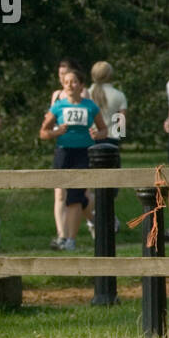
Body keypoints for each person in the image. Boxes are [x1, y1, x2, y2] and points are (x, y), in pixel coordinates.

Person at [41, 69, 106, 251]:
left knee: (75, 197)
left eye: (74, 82)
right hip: (63, 153)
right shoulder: (58, 106)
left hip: (83, 153)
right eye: (67, 82)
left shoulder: (90, 106)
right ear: (63, 85)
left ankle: (70, 240)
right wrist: (56, 132)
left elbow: (104, 130)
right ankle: (93, 221)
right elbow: (43, 132)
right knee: (64, 195)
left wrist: (97, 133)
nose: (70, 85)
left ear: (81, 85)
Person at [88, 61, 127, 148]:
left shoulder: (86, 94)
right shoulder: (119, 95)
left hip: (90, 136)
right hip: (111, 138)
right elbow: (121, 124)